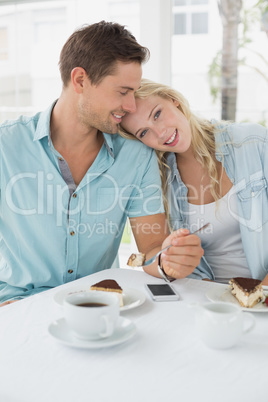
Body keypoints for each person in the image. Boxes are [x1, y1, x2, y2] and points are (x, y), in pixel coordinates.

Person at [0, 22, 204, 306]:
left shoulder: (135, 156)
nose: (132, 106)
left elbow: (153, 249)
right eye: (123, 92)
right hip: (17, 305)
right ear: (80, 80)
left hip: (98, 305)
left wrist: (169, 261)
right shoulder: (6, 145)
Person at [119, 78, 268, 285]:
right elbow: (150, 256)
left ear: (173, 100)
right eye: (144, 132)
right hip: (203, 298)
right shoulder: (155, 178)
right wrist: (167, 260)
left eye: (157, 114)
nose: (160, 133)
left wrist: (259, 295)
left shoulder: (254, 142)